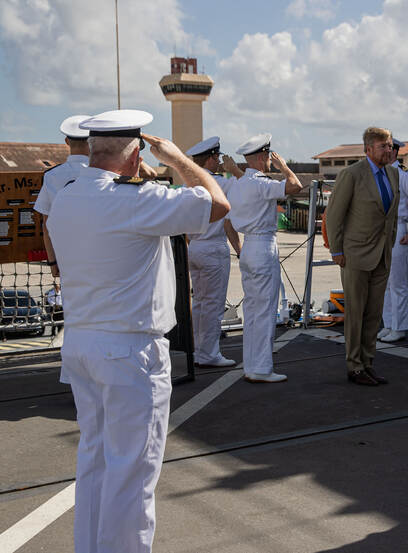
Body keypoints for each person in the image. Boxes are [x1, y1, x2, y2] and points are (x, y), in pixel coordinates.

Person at [47, 109, 230, 553]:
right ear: (133, 159)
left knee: (95, 464)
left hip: (82, 345)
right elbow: (219, 205)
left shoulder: (66, 195)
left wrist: (143, 173)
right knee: (133, 473)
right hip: (129, 351)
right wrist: (179, 160)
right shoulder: (134, 201)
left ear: (92, 150)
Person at [325, 127, 399, 386]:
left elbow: (391, 216)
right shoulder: (352, 175)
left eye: (389, 146)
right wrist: (337, 251)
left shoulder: (393, 174)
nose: (388, 151)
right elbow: (334, 216)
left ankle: (368, 363)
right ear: (368, 149)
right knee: (355, 313)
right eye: (383, 146)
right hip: (355, 255)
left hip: (382, 255)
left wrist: (389, 244)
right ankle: (353, 366)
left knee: (373, 314)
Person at [227, 133, 302, 383]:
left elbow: (228, 221)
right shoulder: (260, 183)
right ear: (262, 157)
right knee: (265, 311)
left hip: (248, 247)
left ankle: (251, 365)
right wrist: (284, 167)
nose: (271, 161)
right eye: (269, 157)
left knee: (252, 310)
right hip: (262, 246)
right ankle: (261, 369)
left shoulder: (238, 183)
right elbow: (295, 186)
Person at [185, 136, 242, 368]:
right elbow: (248, 187)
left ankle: (199, 350)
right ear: (209, 159)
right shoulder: (221, 183)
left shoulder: (190, 183)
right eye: (217, 157)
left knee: (199, 303)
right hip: (213, 247)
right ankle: (209, 353)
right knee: (213, 304)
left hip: (195, 246)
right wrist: (234, 169)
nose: (219, 161)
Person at [378, 138, 408, 343]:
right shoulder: (381, 174)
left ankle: (400, 327)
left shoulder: (403, 174)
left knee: (398, 282)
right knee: (384, 282)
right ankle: (388, 324)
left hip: (398, 227)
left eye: (387, 149)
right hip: (381, 229)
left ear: (394, 151)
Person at [35, 115, 91, 280]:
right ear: (92, 142)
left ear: (67, 141)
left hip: (67, 259)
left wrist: (52, 262)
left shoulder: (52, 176)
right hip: (100, 255)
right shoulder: (104, 173)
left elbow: (46, 225)